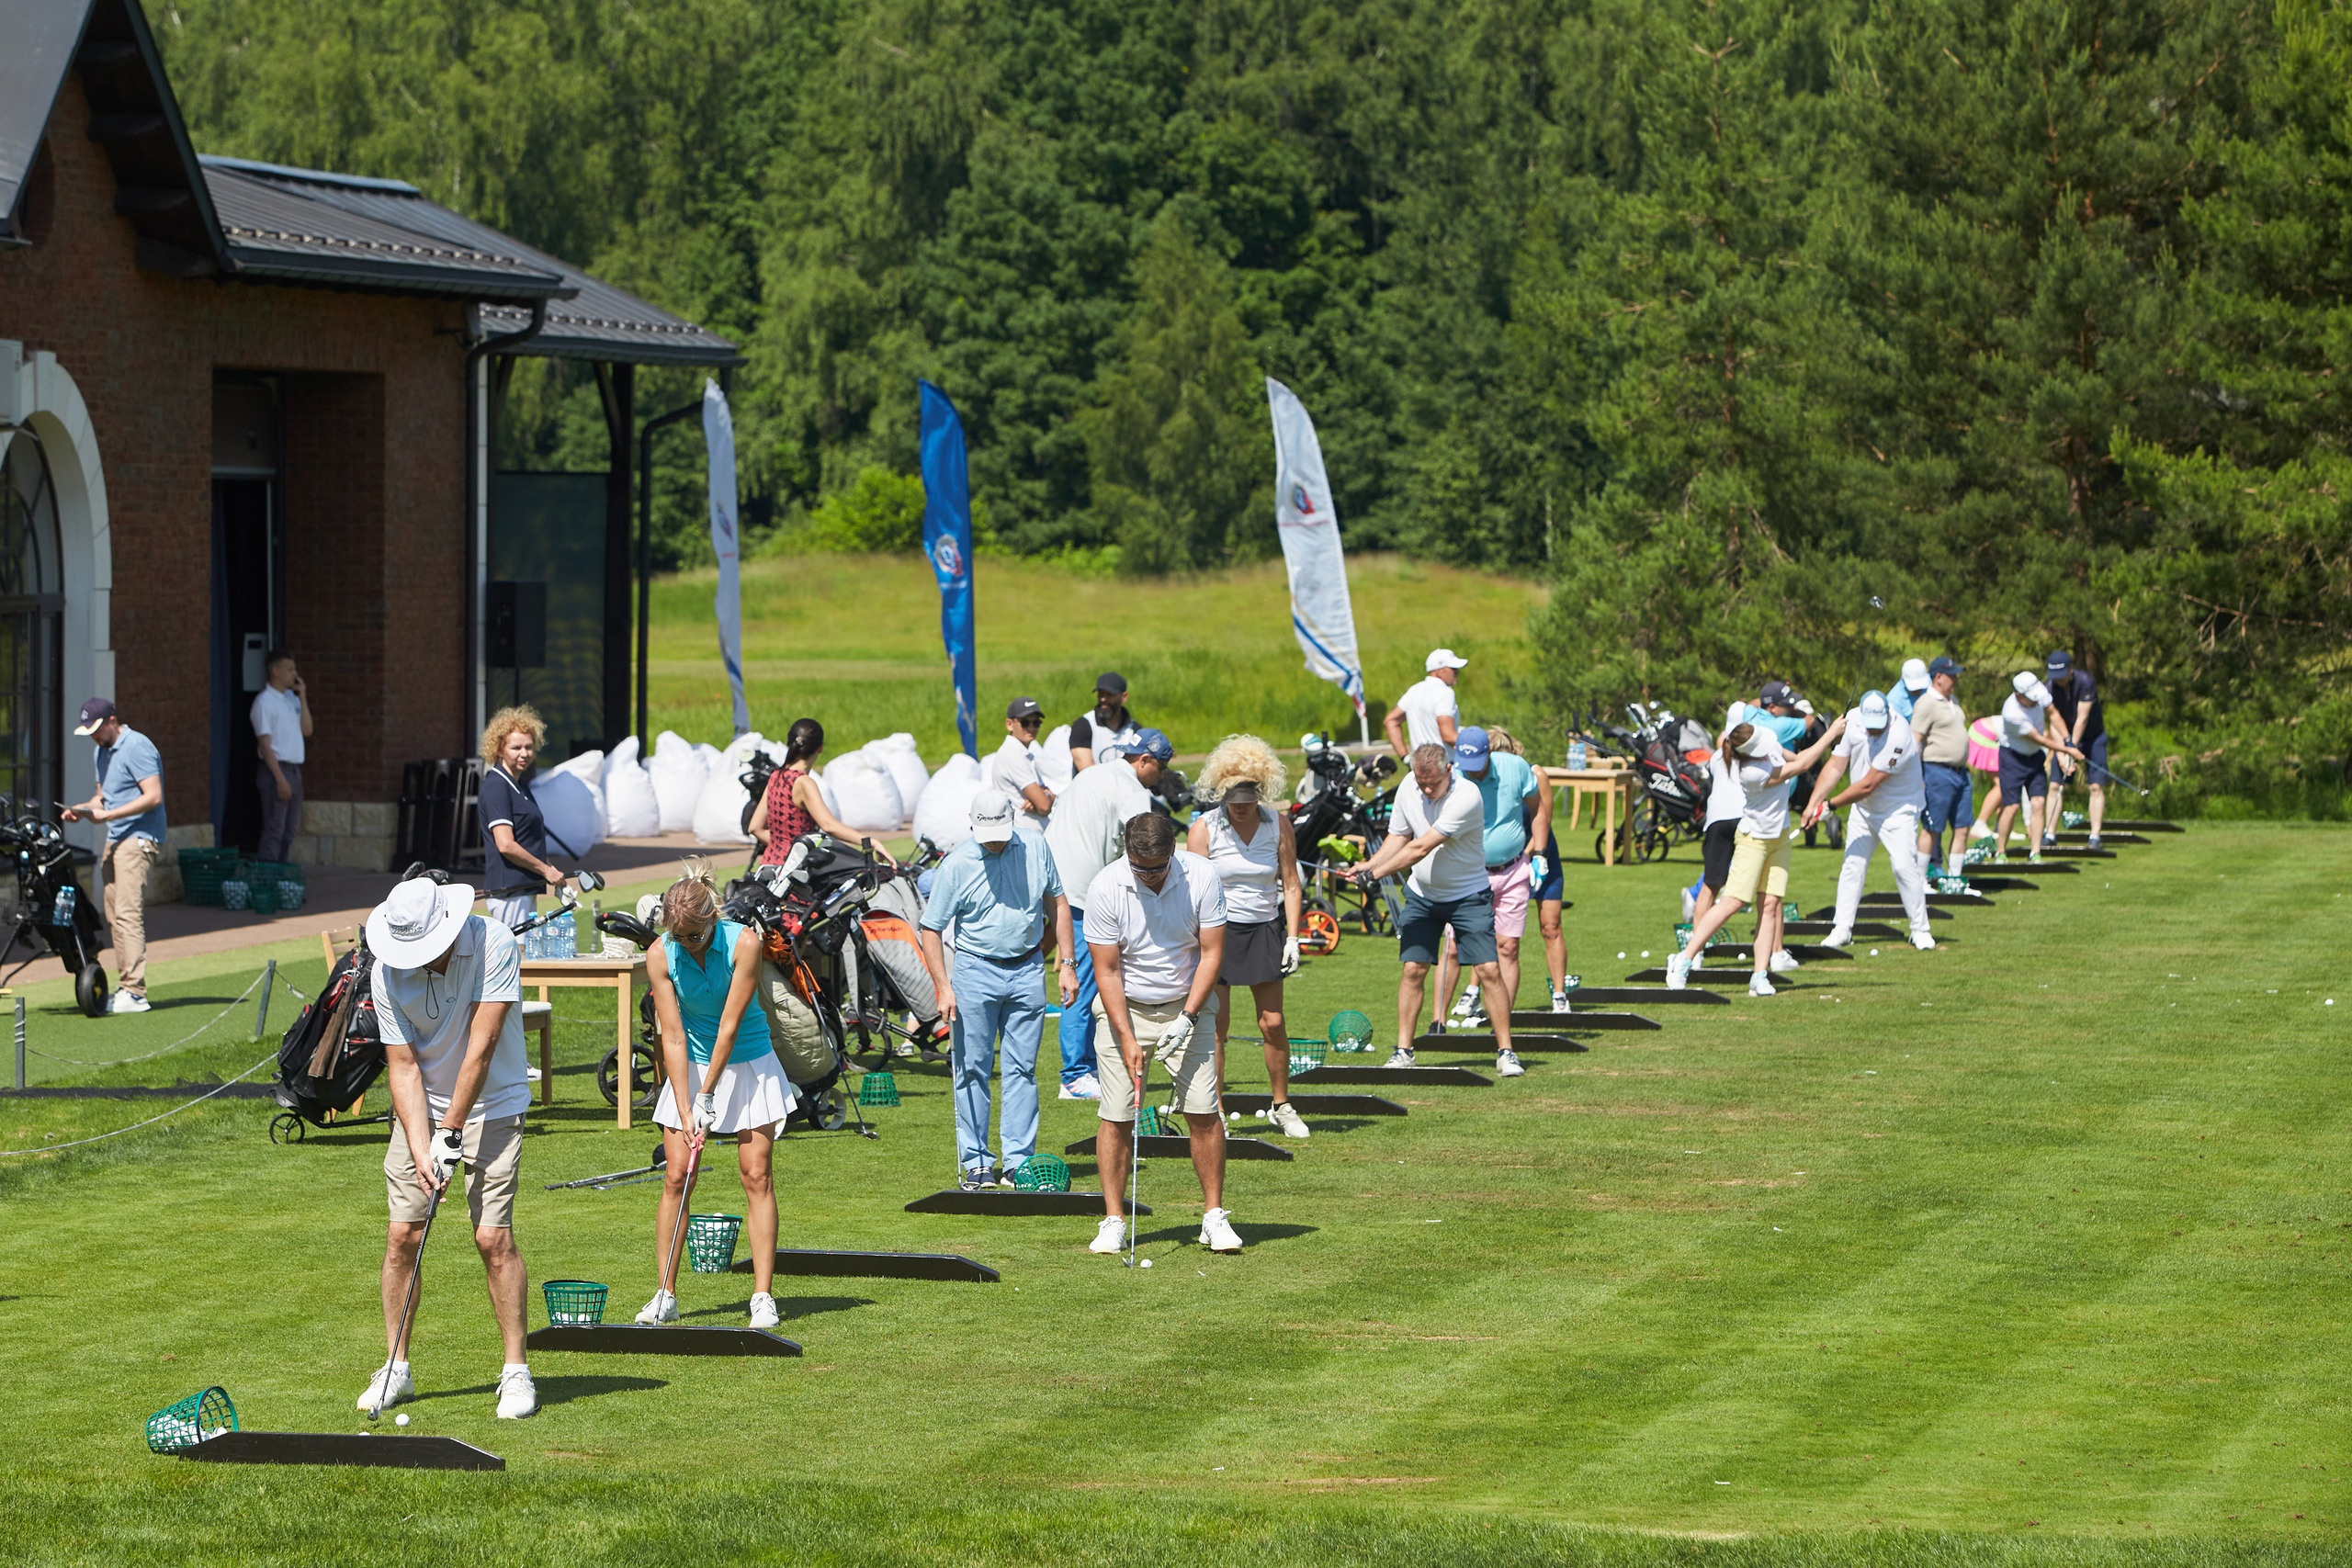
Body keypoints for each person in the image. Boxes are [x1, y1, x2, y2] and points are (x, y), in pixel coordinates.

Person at [356, 874, 536, 1420]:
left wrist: (450, 1132)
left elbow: (480, 1047)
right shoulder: (386, 972)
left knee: (491, 1238)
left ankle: (516, 1372)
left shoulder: (494, 943)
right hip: (422, 1111)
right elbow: (404, 1067)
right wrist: (421, 1146)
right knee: (402, 1236)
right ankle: (395, 1367)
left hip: (495, 1102)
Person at [636, 865, 793, 1329]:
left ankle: (762, 1296)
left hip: (748, 1061)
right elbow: (674, 1037)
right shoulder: (661, 954)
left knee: (756, 1174)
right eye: (678, 938)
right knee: (678, 1175)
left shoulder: (745, 942)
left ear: (712, 919)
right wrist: (687, 1105)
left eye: (695, 936)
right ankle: (666, 1292)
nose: (687, 945)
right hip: (692, 1064)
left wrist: (708, 1095)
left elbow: (728, 1024)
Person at [1083, 812, 1238, 1257]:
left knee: (1203, 1110)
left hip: (1188, 1005)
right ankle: (1113, 1220)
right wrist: (1127, 1037)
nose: (1148, 876)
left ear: (1173, 853)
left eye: (1157, 867)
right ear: (1127, 854)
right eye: (1139, 866)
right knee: (1116, 1115)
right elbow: (1107, 969)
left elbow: (1211, 953)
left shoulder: (1202, 875)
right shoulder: (1106, 886)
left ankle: (1213, 1217)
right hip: (1125, 1007)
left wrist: (1188, 1016)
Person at [919, 788, 1076, 1189]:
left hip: (1027, 969)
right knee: (971, 1069)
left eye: (1002, 832)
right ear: (973, 826)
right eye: (988, 834)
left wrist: (1067, 965)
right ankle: (977, 1163)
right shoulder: (955, 865)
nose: (996, 840)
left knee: (1022, 1069)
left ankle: (1017, 1162)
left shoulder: (1036, 847)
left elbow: (1058, 902)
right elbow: (930, 929)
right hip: (974, 972)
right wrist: (942, 987)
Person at [1354, 743, 1521, 1077]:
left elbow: (1421, 846)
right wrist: (1368, 864)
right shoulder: (1408, 788)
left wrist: (1376, 874)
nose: (1427, 790)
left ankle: (1506, 1052)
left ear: (1449, 771)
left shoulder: (1467, 796)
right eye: (1421, 784)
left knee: (1488, 970)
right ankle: (1403, 1051)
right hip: (1422, 895)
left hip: (1468, 895)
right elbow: (1399, 836)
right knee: (1413, 969)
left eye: (1433, 784)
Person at [1667, 714, 1846, 994]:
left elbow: (1799, 755)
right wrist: (1831, 734)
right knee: (1732, 902)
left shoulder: (1765, 741)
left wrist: (1828, 737)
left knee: (1771, 904)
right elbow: (1801, 766)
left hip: (1780, 837)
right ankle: (1683, 959)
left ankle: (1759, 975)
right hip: (1754, 840)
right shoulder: (1750, 773)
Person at [1186, 736, 1307, 1139]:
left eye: (1247, 800)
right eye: (1233, 800)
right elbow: (1194, 892)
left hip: (1264, 928)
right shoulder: (1204, 828)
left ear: (1260, 793)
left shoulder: (1278, 824)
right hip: (1218, 932)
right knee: (1216, 1026)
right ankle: (1214, 1108)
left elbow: (1290, 883)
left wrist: (1293, 938)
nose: (1239, 807)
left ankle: (1281, 1105)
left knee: (1272, 1022)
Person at [1043, 728, 1168, 1101]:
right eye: (1159, 768)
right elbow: (1145, 842)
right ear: (1144, 760)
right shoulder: (1132, 790)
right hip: (1081, 892)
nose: (1159, 776)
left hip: (1053, 879)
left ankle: (1089, 1067)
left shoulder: (1093, 773)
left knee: (1083, 976)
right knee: (1084, 981)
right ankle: (1075, 1076)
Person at [1432, 727, 1547, 1032]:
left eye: (1478, 764)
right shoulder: (1453, 777)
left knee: (1507, 947)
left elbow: (1537, 809)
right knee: (1453, 946)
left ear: (1489, 754)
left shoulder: (1516, 768)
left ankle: (1501, 1026)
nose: (1473, 772)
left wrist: (1540, 854)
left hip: (1512, 870)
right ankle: (1438, 1022)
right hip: (1467, 874)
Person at [1801, 691, 1935, 952]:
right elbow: (1836, 766)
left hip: (1898, 809)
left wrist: (1830, 806)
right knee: (1852, 865)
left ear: (1887, 715)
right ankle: (1842, 929)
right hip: (1863, 809)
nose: (1873, 731)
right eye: (1869, 726)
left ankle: (1920, 930)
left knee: (1903, 866)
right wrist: (1812, 805)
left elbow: (1869, 784)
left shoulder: (1899, 734)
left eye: (1878, 726)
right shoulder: (1853, 721)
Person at [62, 698, 164, 1014]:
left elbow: (154, 796)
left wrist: (111, 814)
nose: (93, 736)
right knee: (114, 916)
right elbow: (104, 796)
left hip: (139, 839)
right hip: (115, 838)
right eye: (88, 731)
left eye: (96, 729)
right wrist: (85, 809)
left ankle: (135, 993)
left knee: (128, 913)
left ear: (112, 720)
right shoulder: (100, 751)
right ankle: (125, 989)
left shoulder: (138, 746)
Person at [477, 706, 571, 931]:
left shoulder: (520, 785)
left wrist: (553, 872)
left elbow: (530, 841)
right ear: (500, 749)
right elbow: (506, 844)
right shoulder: (496, 787)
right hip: (508, 891)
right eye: (516, 747)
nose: (524, 753)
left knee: (527, 959)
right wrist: (545, 870)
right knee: (516, 959)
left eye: (528, 747)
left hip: (525, 887)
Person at [752, 717, 894, 867]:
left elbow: (755, 827)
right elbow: (828, 825)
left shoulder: (776, 776)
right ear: (820, 747)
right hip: (796, 874)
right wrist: (871, 842)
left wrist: (782, 845)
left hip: (770, 869)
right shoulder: (803, 782)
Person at [1994, 671, 2081, 863]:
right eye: (2030, 699)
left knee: (2039, 803)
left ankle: (2035, 852)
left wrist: (2068, 741)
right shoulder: (2011, 714)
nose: (2035, 702)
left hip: (2034, 756)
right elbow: (2040, 739)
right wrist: (2068, 751)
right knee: (2012, 806)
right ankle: (2000, 851)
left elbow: (2053, 714)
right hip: (2012, 758)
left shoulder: (2039, 692)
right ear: (2018, 695)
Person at [1910, 656, 1973, 879]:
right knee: (1932, 827)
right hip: (1936, 771)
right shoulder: (1926, 703)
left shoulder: (1952, 700)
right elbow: (1915, 740)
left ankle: (1955, 879)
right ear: (1938, 677)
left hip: (1960, 773)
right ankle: (1919, 880)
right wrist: (1918, 776)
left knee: (1962, 827)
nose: (1955, 679)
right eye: (1951, 675)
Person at [250, 650, 312, 863]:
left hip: (294, 770)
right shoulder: (264, 702)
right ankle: (269, 880)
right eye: (289, 669)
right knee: (274, 828)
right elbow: (266, 746)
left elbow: (307, 730)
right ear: (275, 671)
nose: (294, 674)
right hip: (276, 770)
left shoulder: (289, 700)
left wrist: (302, 697)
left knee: (289, 831)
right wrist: (280, 779)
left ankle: (283, 877)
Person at [2043, 650, 2108, 849]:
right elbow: (2053, 722)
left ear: (2070, 670)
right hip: (2063, 739)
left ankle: (2095, 836)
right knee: (2055, 786)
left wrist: (2072, 749)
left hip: (2092, 738)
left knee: (2095, 786)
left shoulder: (2086, 681)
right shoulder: (2047, 688)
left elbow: (2082, 718)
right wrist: (2062, 753)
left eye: (2061, 675)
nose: (2058, 680)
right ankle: (2050, 834)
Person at [987, 698, 1054, 834]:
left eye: (1036, 723)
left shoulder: (1021, 753)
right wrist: (1045, 799)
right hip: (1025, 839)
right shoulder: (1013, 755)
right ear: (1010, 724)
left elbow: (1046, 799)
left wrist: (1047, 796)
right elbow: (1044, 806)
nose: (1031, 728)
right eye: (1025, 722)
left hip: (1030, 835)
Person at [1384, 649, 1466, 757]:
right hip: (1443, 766)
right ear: (1439, 671)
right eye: (1453, 669)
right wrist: (1476, 744)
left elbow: (1391, 721)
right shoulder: (1446, 693)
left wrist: (1406, 757)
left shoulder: (1414, 690)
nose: (1457, 672)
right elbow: (1448, 735)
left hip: (1419, 766)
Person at [1067, 673, 1139, 774]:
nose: (1103, 699)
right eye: (1101, 694)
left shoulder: (1135, 730)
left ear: (1124, 697)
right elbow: (1087, 773)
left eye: (1109, 695)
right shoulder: (1083, 726)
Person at [1890, 657, 1930, 721]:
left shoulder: (1931, 681)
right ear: (1903, 680)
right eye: (1915, 689)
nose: (1918, 690)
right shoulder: (1894, 702)